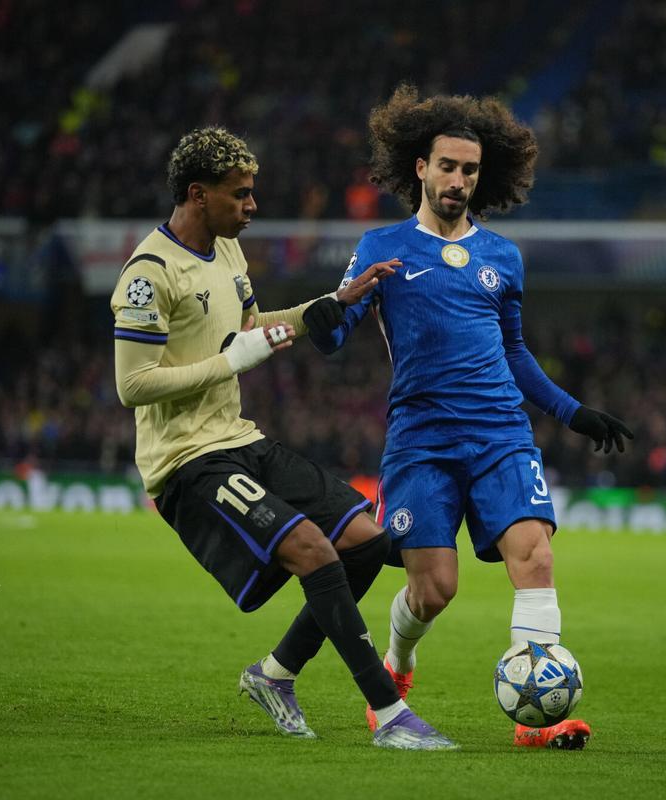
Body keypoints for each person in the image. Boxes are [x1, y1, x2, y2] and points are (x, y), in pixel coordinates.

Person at [110, 126, 456, 750]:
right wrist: (232, 361)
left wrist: (329, 302)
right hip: (188, 463)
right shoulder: (148, 273)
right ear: (198, 193)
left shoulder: (229, 253)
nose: (252, 207)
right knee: (313, 550)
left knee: (365, 542)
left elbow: (253, 328)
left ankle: (275, 675)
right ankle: (391, 716)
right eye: (240, 196)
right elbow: (133, 385)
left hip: (240, 439)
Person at [308, 86, 633, 750]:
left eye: (470, 170)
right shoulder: (382, 245)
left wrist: (572, 413)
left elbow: (512, 350)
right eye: (447, 166)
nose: (458, 180)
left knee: (535, 558)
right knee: (434, 591)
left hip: (501, 435)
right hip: (421, 441)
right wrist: (324, 319)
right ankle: (397, 669)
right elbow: (336, 330)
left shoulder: (502, 257)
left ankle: (533, 722)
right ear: (419, 167)